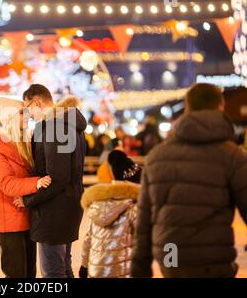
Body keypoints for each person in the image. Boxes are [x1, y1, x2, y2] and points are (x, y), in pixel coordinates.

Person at [131, 83, 247, 278]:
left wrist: (139, 268)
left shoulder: (157, 156)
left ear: (187, 109)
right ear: (220, 107)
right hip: (212, 260)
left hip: (170, 257)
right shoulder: (232, 156)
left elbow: (144, 219)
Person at [15, 85, 87, 278]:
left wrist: (28, 200)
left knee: (53, 273)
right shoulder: (68, 124)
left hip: (54, 210)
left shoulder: (54, 127)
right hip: (69, 205)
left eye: (27, 107)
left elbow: (57, 177)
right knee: (63, 268)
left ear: (36, 102)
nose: (28, 114)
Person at [0, 97, 52, 278]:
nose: (27, 116)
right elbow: (6, 183)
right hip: (8, 221)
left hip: (25, 216)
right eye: (22, 113)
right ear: (10, 118)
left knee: (30, 273)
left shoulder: (22, 145)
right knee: (16, 274)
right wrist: (36, 182)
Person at [79, 150, 141, 278]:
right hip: (123, 272)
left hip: (96, 271)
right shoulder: (133, 208)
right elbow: (143, 242)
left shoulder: (98, 204)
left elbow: (88, 239)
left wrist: (84, 266)